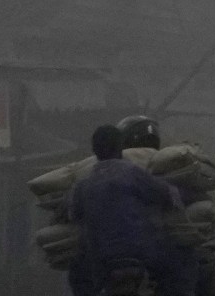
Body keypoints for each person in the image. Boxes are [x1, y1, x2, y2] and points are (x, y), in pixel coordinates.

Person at [69, 123, 196, 296]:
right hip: (143, 254)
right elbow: (167, 195)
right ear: (121, 147)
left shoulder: (83, 185)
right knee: (183, 264)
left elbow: (73, 216)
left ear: (94, 150)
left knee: (77, 275)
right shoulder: (132, 173)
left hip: (101, 262)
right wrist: (187, 195)